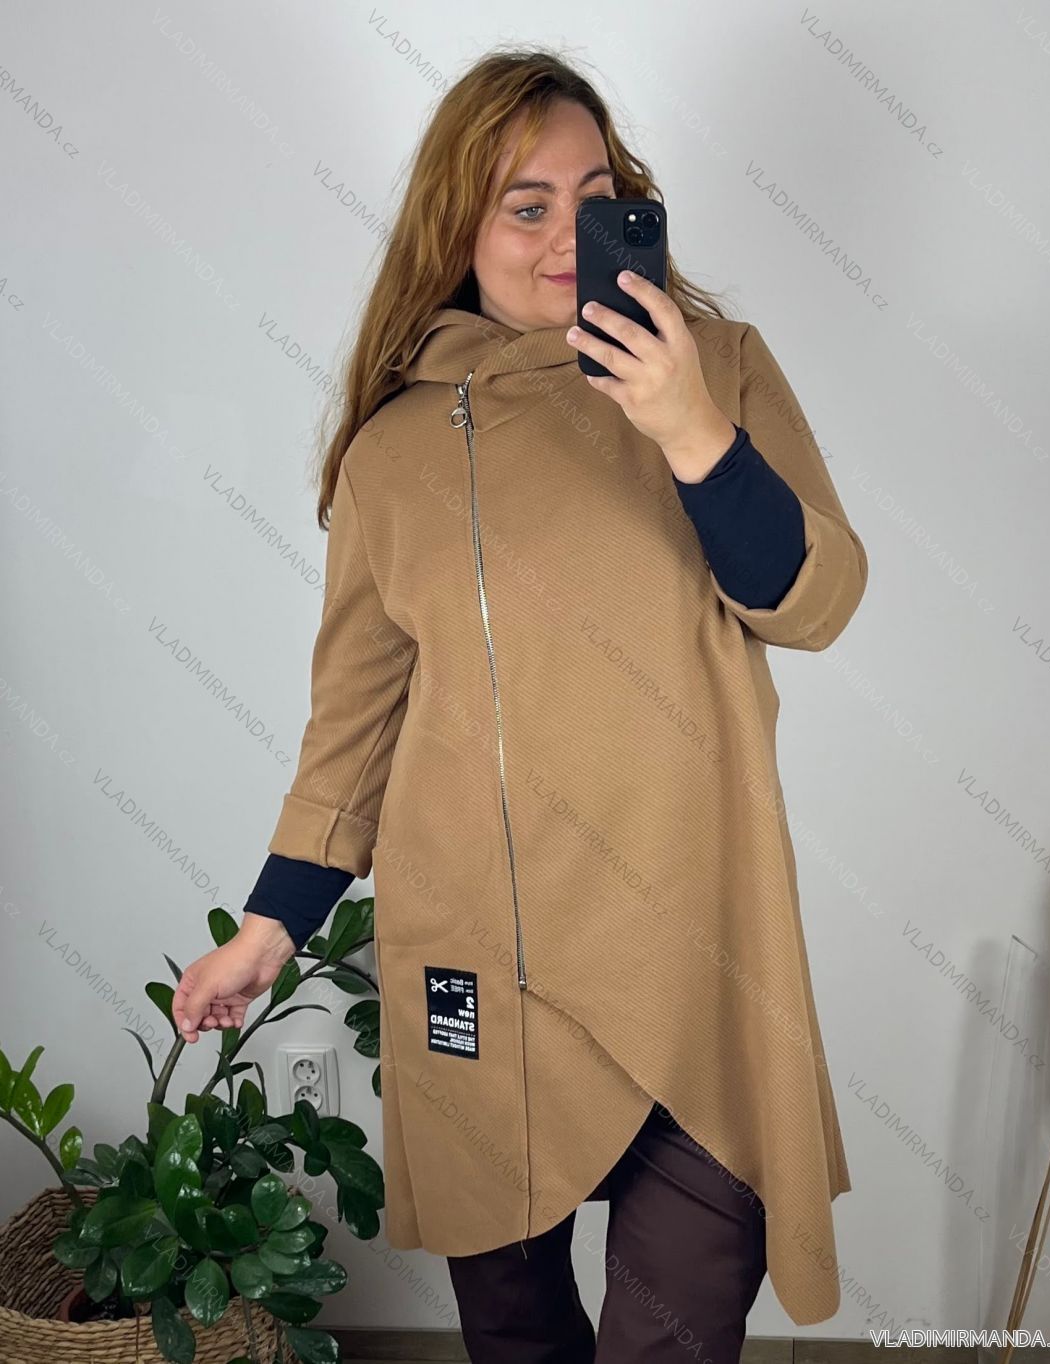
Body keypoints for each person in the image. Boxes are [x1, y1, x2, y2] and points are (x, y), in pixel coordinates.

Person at [172, 46, 868, 1362]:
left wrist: (687, 431)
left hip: (692, 947)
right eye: (524, 204)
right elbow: (355, 724)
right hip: (480, 960)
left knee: (675, 1331)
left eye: (592, 198)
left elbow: (814, 601)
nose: (562, 236)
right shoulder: (393, 450)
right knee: (513, 1331)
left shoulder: (717, 372)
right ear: (458, 229)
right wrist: (269, 926)